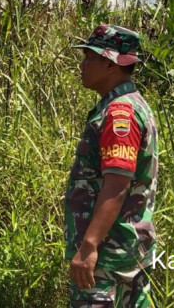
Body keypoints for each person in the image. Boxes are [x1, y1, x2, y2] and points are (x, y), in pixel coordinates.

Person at [65, 24, 158, 307]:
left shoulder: (121, 113)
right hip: (124, 253)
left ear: (110, 64)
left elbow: (117, 185)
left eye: (89, 58)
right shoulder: (128, 106)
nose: (82, 65)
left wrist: (89, 247)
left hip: (108, 258)